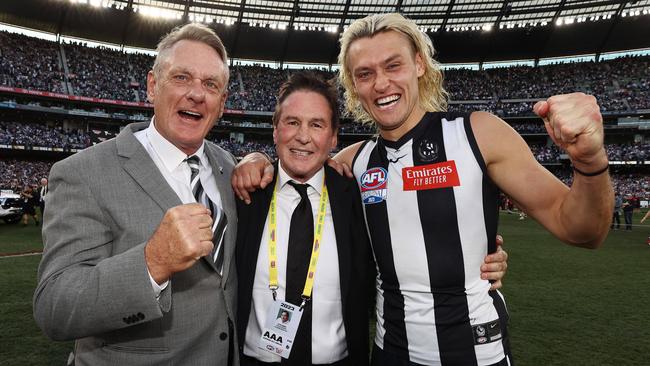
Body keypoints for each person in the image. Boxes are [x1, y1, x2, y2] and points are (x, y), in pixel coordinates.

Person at [232, 13, 613, 366]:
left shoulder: (478, 134)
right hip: (389, 353)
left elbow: (582, 230)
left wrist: (590, 158)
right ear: (355, 87)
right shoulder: (355, 162)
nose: (381, 83)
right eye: (364, 73)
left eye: (393, 65)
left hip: (476, 352)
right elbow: (298, 159)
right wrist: (255, 160)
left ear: (419, 64)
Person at [33, 23, 239, 365]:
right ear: (152, 86)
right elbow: (55, 307)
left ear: (222, 103)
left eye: (210, 84)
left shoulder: (229, 167)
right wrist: (152, 262)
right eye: (182, 77)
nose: (197, 94)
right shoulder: (83, 172)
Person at [236, 72, 372, 366]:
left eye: (317, 124)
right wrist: (251, 158)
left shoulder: (355, 199)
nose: (303, 136)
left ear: (334, 137)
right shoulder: (246, 195)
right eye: (292, 122)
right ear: (275, 130)